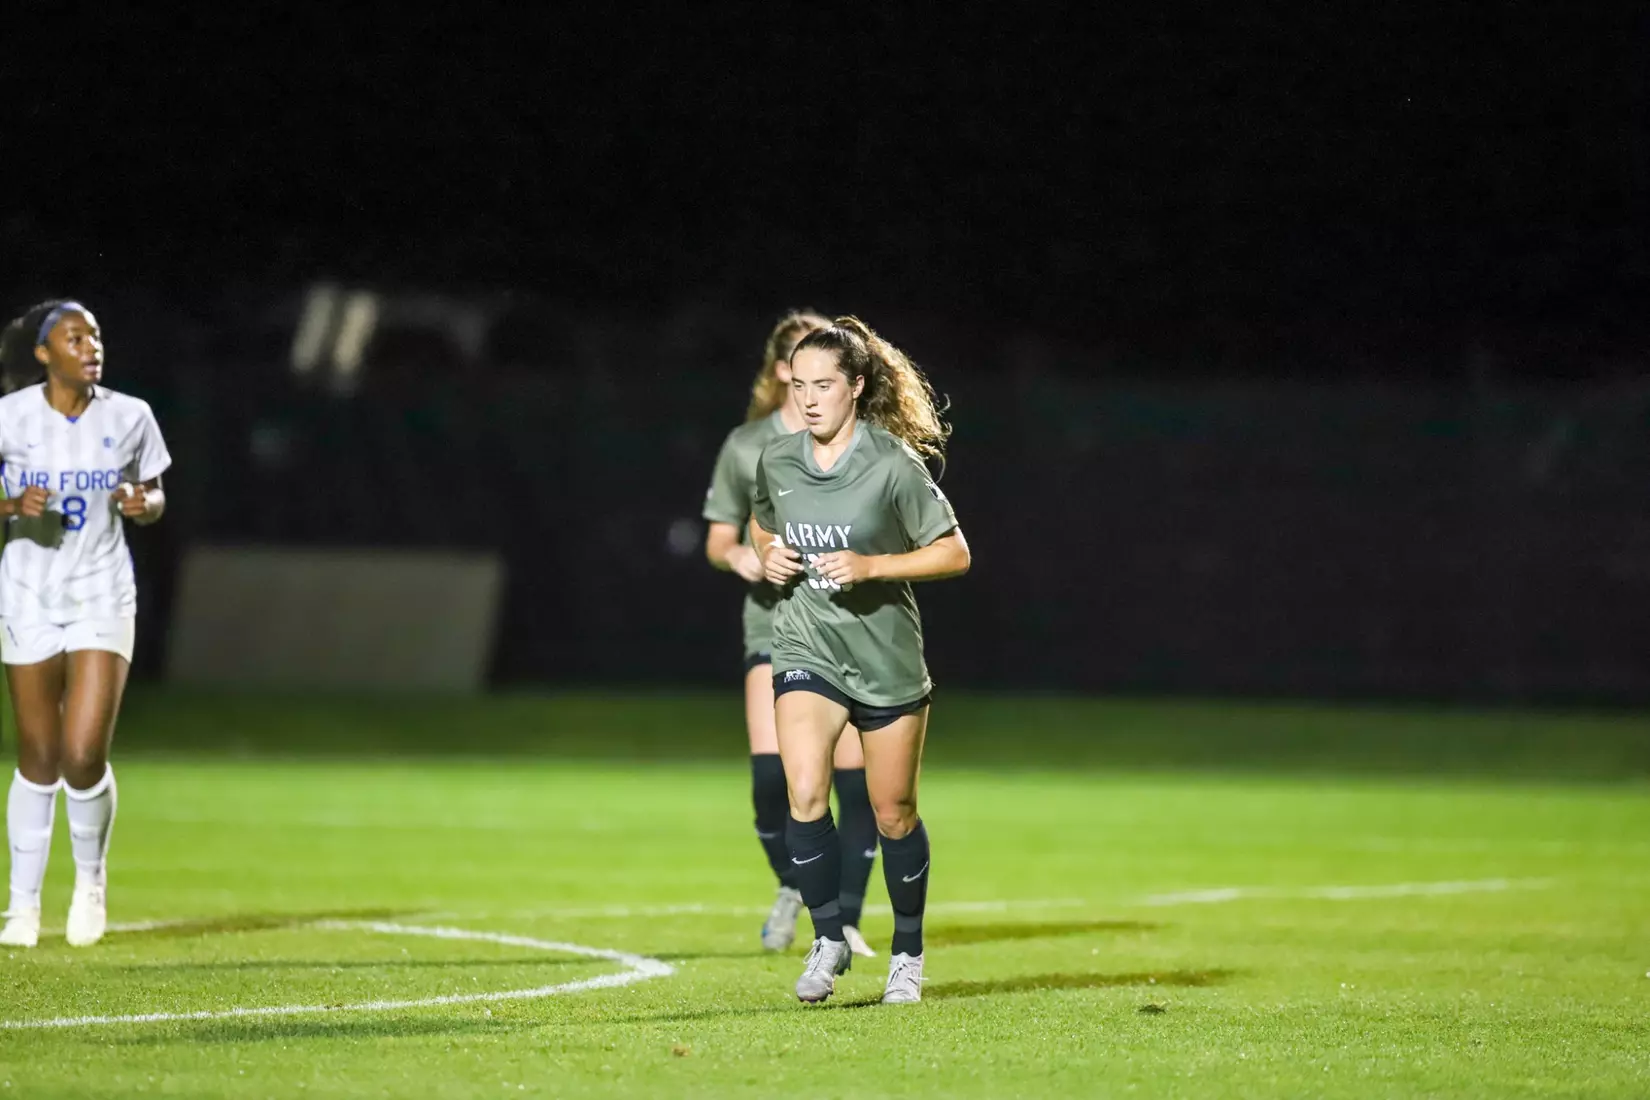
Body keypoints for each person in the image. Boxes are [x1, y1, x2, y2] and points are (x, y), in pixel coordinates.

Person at [751, 315, 969, 1005]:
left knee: (892, 811)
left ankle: (907, 951)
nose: (809, 398)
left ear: (857, 387)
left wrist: (874, 564)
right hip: (806, 644)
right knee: (805, 793)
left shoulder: (890, 464)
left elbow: (954, 551)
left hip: (885, 658)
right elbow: (762, 519)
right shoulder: (778, 459)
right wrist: (767, 551)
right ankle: (828, 937)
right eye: (799, 384)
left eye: (824, 385)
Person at [703, 310, 880, 958]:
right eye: (802, 370)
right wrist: (745, 554)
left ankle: (846, 920)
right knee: (773, 781)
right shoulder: (750, 447)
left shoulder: (864, 444)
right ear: (784, 371)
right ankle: (797, 889)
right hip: (774, 620)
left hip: (849, 625)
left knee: (852, 778)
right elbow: (724, 535)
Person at [0, 300, 171, 949]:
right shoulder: (10, 418)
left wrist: (141, 502)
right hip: (27, 594)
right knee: (39, 755)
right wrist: (14, 503)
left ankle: (91, 884)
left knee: (82, 754)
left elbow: (152, 494)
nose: (90, 346)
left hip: (102, 592)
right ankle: (21, 908)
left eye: (95, 335)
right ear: (44, 353)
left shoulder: (130, 416)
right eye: (74, 337)